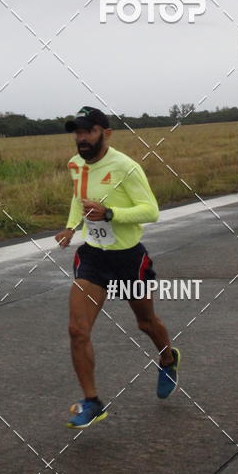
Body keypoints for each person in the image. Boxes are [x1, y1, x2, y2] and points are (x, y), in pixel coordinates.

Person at [54, 106, 179, 428]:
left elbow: (151, 211)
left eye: (88, 131)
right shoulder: (75, 164)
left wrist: (111, 214)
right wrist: (71, 227)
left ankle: (167, 357)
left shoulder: (126, 167)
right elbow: (77, 198)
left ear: (105, 133)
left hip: (128, 259)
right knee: (77, 331)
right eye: (77, 132)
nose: (81, 139)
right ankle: (92, 402)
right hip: (93, 257)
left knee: (146, 323)